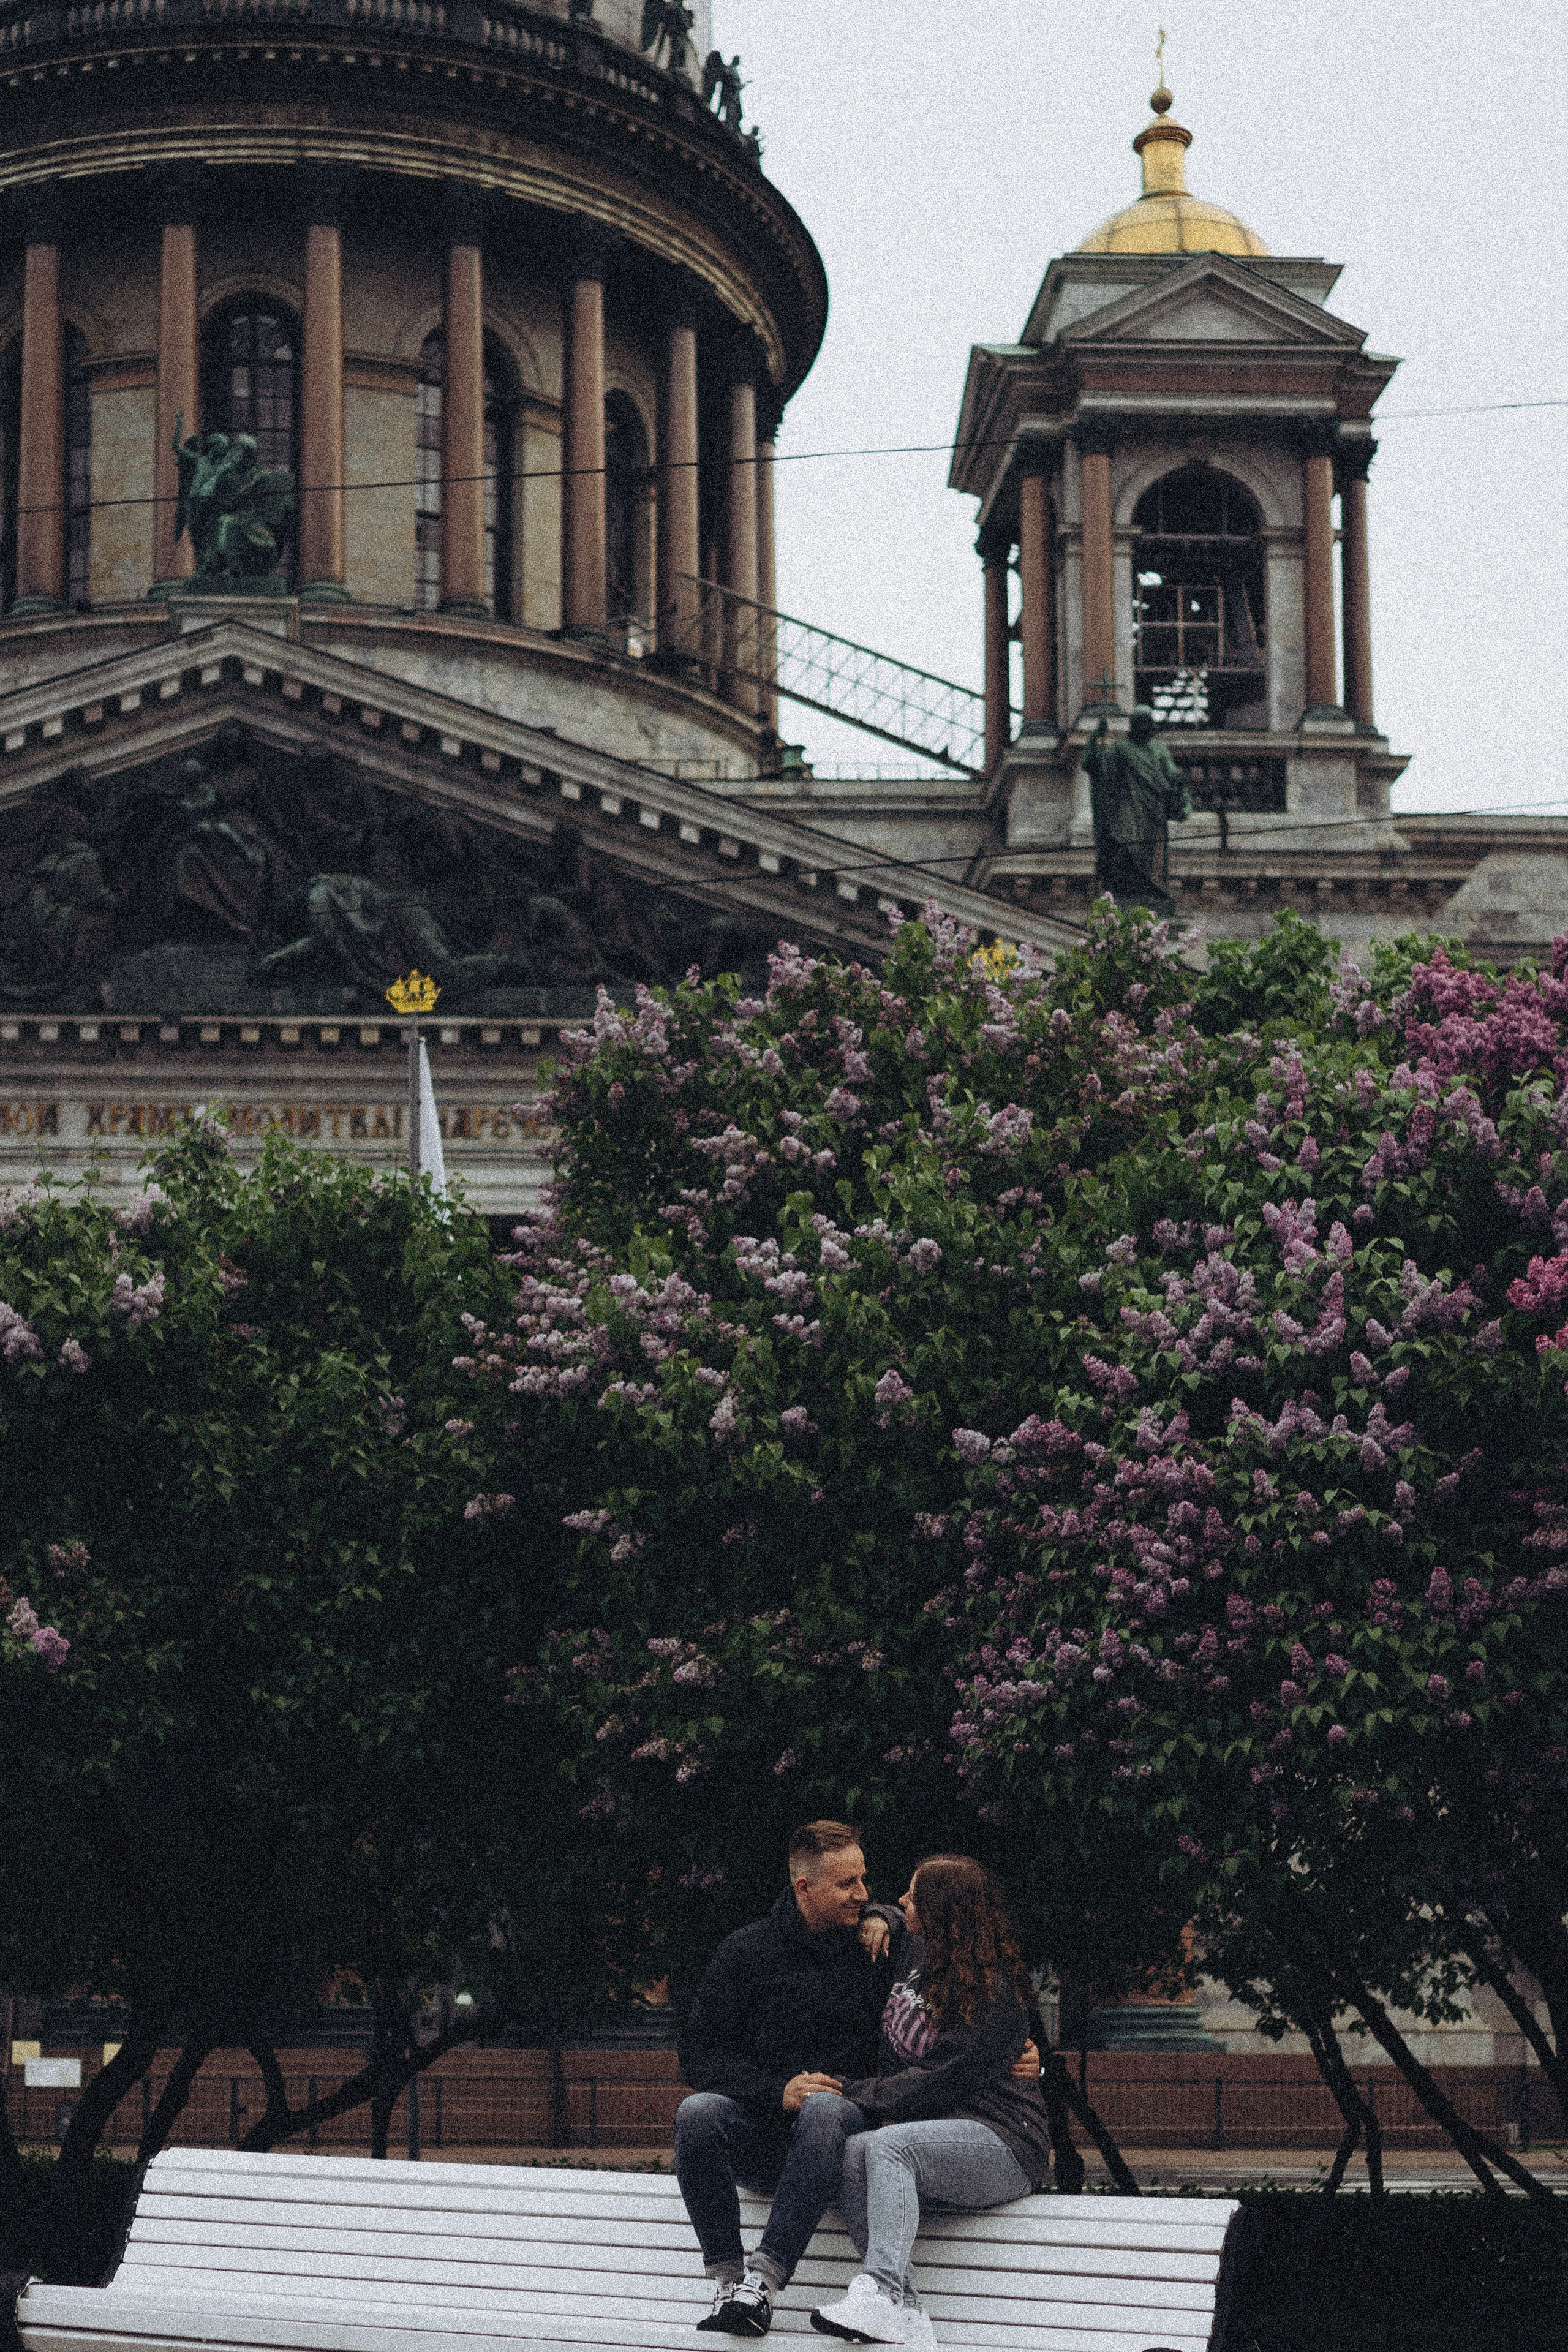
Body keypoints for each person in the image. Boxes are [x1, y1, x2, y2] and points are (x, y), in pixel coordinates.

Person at [812, 1855, 1051, 2350]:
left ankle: (880, 2291)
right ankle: (908, 2315)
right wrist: (882, 1916)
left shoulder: (992, 1992)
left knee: (888, 2146)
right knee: (856, 2150)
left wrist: (844, 2089)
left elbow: (935, 2082)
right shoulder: (918, 1955)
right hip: (944, 2138)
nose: (903, 1899)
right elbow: (888, 1914)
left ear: (941, 1909)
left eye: (914, 1896)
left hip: (1006, 2143)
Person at [1083, 704, 1192, 916]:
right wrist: (1096, 737)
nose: (1143, 728)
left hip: (1153, 814)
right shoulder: (1120, 748)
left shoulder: (1160, 750)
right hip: (1126, 809)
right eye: (1139, 724)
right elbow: (1094, 765)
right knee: (1126, 846)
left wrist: (1179, 784)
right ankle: (1125, 892)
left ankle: (1150, 894)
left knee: (1151, 857)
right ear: (1133, 726)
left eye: (1146, 724)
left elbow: (1171, 775)